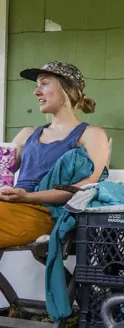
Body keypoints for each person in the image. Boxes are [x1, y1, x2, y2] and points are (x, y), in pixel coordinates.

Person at [0, 62, 109, 248]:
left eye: (44, 83)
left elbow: (85, 188)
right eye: (37, 85)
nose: (36, 92)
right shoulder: (27, 134)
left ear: (67, 89)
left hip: (46, 213)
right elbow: (3, 172)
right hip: (11, 206)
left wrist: (27, 197)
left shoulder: (91, 135)